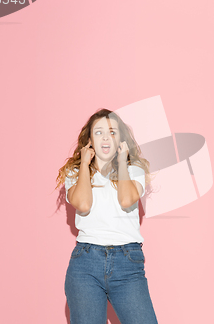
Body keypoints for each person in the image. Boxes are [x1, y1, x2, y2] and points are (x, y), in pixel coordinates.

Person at [56, 109, 157, 324]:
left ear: (120, 138)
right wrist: (84, 163)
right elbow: (83, 204)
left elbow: (127, 200)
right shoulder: (75, 172)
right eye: (98, 132)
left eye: (112, 132)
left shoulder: (134, 169)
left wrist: (122, 161)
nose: (105, 137)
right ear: (90, 139)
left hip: (128, 263)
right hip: (86, 264)